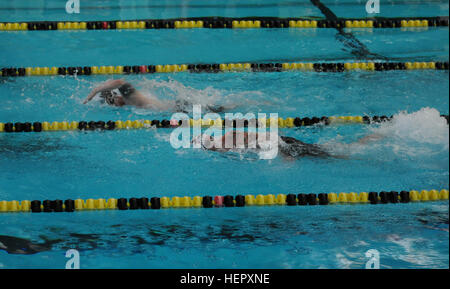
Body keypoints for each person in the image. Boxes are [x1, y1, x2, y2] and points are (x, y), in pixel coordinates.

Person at [192, 131, 384, 159]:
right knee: (330, 151)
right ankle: (368, 140)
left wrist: (286, 154)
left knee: (339, 155)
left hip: (286, 143)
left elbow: (267, 138)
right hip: (285, 143)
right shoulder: (223, 147)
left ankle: (371, 139)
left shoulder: (226, 139)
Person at [83, 79, 231, 112]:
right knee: (220, 109)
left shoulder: (130, 98)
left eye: (112, 101)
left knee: (221, 110)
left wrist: (95, 91)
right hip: (179, 107)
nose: (114, 104)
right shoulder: (129, 103)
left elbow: (120, 82)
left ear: (116, 96)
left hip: (181, 108)